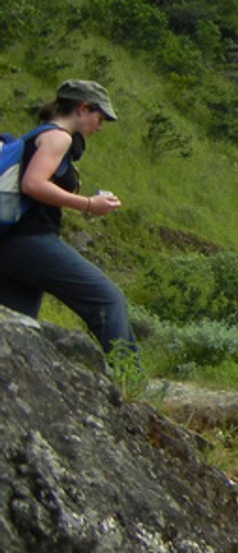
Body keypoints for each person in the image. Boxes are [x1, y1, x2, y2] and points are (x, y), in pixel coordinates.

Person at [0, 78, 137, 357]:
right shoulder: (58, 136)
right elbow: (33, 184)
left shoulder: (38, 135)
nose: (100, 127)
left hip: (9, 244)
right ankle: (130, 383)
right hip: (30, 240)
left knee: (17, 334)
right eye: (100, 118)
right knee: (107, 300)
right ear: (83, 109)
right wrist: (88, 204)